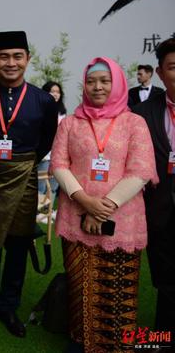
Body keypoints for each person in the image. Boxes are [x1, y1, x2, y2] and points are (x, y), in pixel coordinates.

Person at [51, 57, 157, 353]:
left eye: (105, 81)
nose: (97, 87)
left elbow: (141, 170)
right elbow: (59, 164)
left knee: (119, 285)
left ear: (118, 84)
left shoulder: (134, 123)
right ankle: (80, 340)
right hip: (76, 214)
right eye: (92, 81)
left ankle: (118, 344)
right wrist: (84, 201)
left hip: (122, 219)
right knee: (80, 283)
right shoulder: (71, 123)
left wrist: (105, 205)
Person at [0, 31, 58, 341]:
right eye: (4, 56)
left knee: (18, 246)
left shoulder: (44, 100)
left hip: (25, 177)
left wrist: (21, 162)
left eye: (17, 56)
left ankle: (9, 307)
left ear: (27, 59)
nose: (11, 63)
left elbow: (47, 139)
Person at [133, 38, 175, 348]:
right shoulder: (142, 113)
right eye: (173, 67)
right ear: (160, 73)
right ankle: (163, 338)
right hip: (160, 210)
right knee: (166, 281)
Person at [38, 81, 67, 195]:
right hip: (45, 155)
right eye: (52, 91)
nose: (55, 94)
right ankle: (38, 211)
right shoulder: (39, 111)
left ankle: (50, 211)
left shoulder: (62, 113)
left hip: (58, 154)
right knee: (41, 185)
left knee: (54, 184)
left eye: (58, 92)